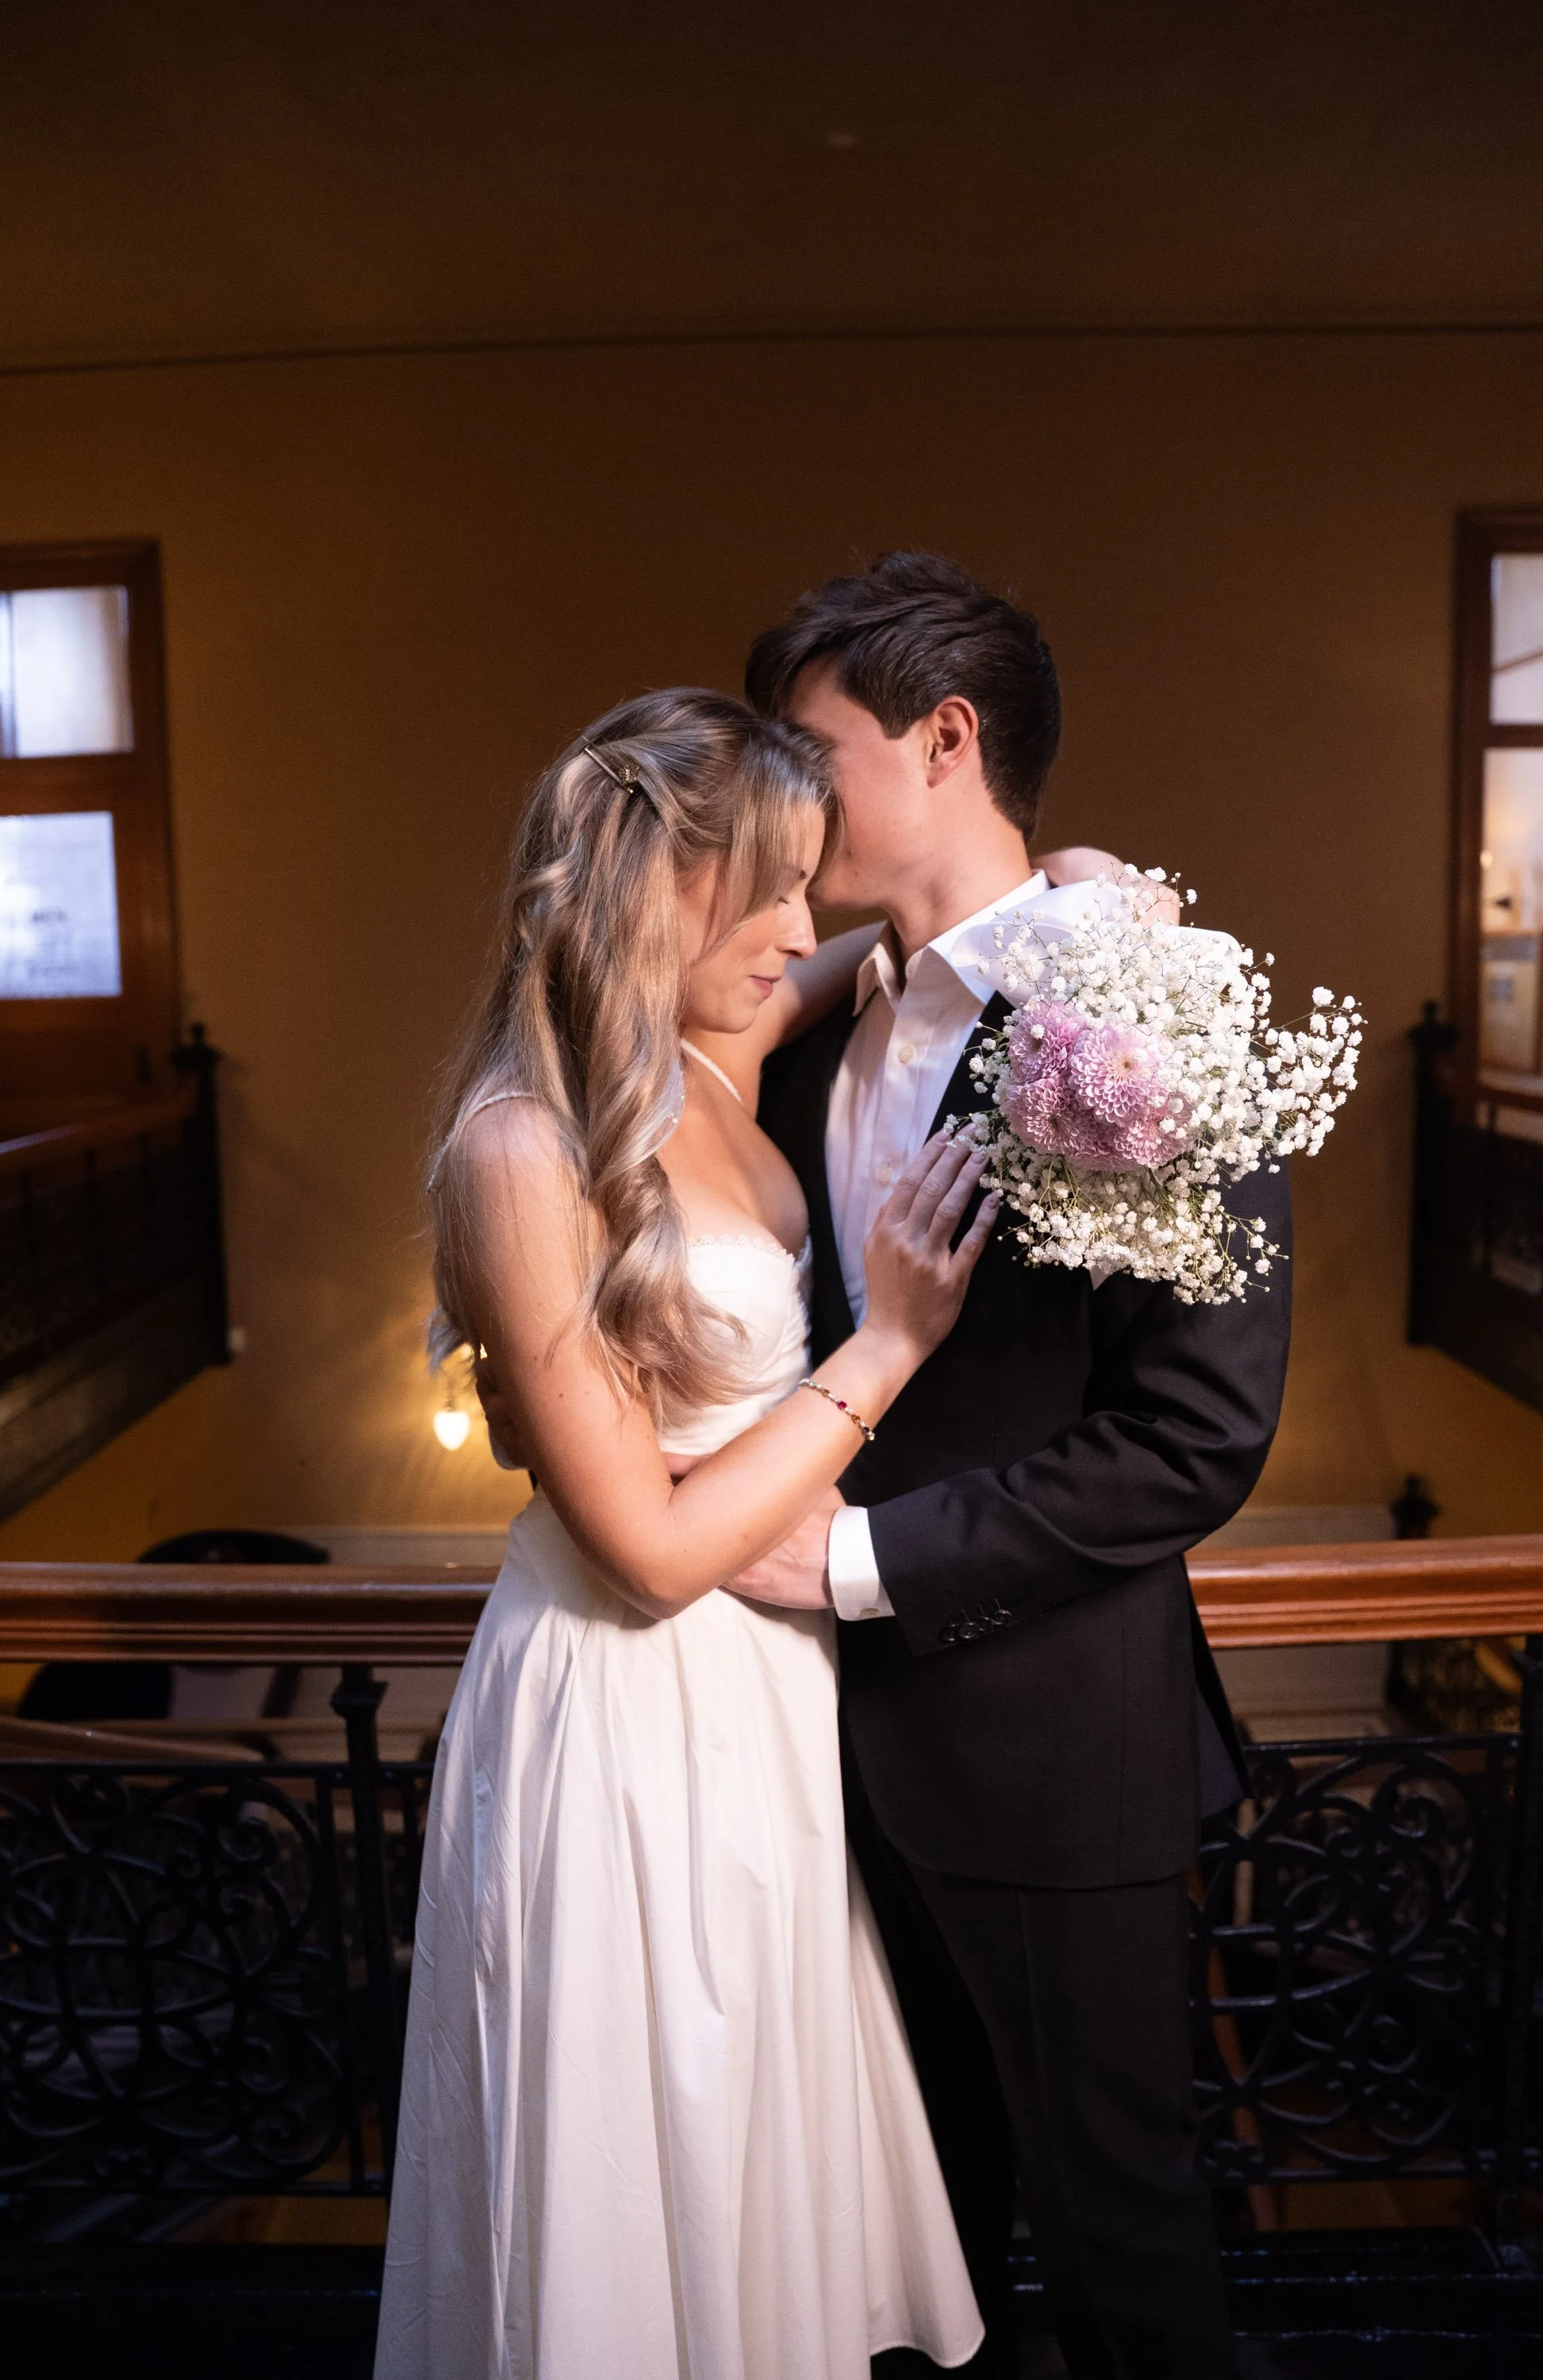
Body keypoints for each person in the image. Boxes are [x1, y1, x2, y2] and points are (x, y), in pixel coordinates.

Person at [378, 688, 1007, 2380]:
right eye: (773, 891)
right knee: (633, 2157)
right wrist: (884, 1347)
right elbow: (649, 1555)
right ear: (656, 887)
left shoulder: (713, 1056)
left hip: (767, 1698)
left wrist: (1074, 888)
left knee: (743, 2164)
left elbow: (845, 948)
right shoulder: (522, 1145)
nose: (803, 932)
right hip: (625, 1700)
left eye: (812, 886)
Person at [720, 552, 1292, 2380]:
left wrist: (858, 1565)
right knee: (906, 2259)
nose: (780, 803)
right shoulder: (816, 1024)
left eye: (808, 753)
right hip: (808, 1763)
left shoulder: (1139, 1006)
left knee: (1124, 2264)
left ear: (944, 738)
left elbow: (1191, 1437)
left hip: (1048, 1753)